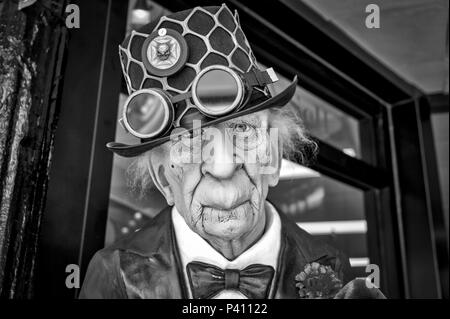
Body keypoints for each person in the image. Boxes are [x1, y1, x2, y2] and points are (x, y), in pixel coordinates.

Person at [80, 4, 384, 299]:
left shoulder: (331, 264)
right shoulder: (114, 274)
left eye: (243, 130)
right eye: (188, 141)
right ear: (163, 179)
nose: (223, 166)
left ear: (274, 158)